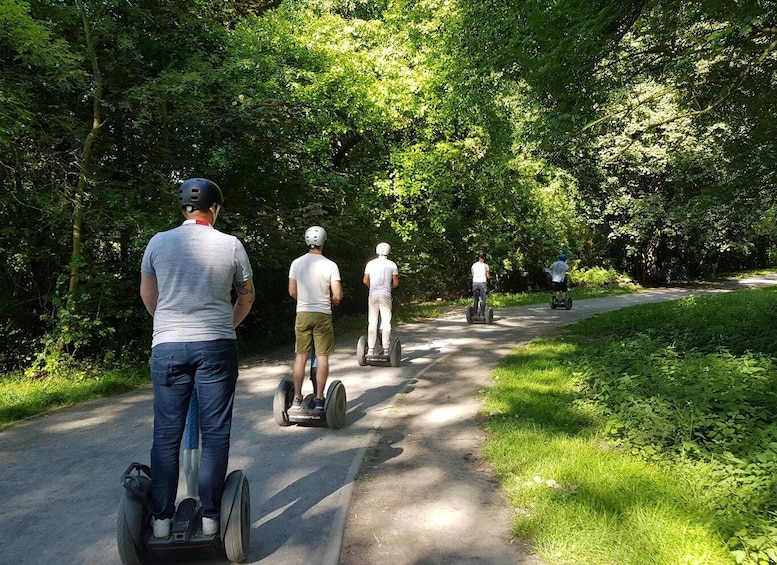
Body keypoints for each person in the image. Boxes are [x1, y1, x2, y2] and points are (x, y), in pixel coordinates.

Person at [139, 178, 255, 540]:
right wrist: (226, 325)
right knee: (216, 434)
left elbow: (148, 295)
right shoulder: (231, 245)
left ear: (183, 208)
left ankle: (160, 521)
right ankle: (209, 518)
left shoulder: (157, 243)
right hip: (216, 346)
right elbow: (246, 297)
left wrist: (168, 327)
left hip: (168, 346)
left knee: (165, 437)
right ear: (215, 208)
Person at [288, 226, 343, 411]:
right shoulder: (330, 265)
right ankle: (319, 398)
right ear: (323, 242)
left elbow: (292, 291)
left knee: (300, 357)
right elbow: (337, 295)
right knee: (322, 357)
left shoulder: (296, 263)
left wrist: (305, 300)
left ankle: (296, 398)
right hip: (323, 314)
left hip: (302, 313)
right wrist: (331, 301)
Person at [363, 242, 400, 355]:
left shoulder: (370, 264)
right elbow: (396, 283)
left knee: (372, 321)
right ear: (388, 252)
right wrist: (389, 287)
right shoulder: (392, 265)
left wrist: (372, 287)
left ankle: (370, 349)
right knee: (386, 321)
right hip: (385, 295)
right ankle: (386, 349)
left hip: (373, 294)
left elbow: (365, 280)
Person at [470, 251, 491, 316]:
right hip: (482, 283)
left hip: (475, 283)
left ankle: (474, 313)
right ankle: (482, 313)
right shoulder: (486, 266)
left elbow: (473, 274)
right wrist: (490, 278)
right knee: (482, 299)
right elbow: (487, 276)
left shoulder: (474, 265)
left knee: (476, 299)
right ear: (484, 258)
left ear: (478, 257)